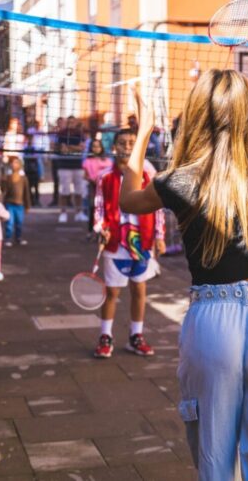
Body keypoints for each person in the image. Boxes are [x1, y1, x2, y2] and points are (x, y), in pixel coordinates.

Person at [118, 70, 248, 479]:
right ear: (245, 113)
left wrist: (145, 129)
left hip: (212, 319)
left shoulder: (177, 179)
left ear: (194, 114)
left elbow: (128, 200)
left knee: (215, 461)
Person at [92, 128, 165, 359]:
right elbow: (98, 208)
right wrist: (99, 227)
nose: (127, 146)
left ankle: (136, 336)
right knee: (112, 292)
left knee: (139, 290)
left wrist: (159, 235)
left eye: (132, 142)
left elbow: (158, 207)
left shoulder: (148, 172)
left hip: (142, 241)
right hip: (115, 242)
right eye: (122, 143)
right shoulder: (105, 177)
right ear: (114, 147)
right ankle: (106, 336)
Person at [57, 116, 88, 224]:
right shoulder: (62, 133)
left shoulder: (79, 134)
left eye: (72, 122)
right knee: (64, 191)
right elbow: (62, 149)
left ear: (75, 123)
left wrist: (69, 147)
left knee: (79, 191)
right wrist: (75, 148)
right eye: (69, 122)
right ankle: (63, 213)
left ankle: (79, 213)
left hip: (77, 165)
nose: (71, 123)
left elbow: (82, 148)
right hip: (64, 165)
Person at [82, 138, 113, 236]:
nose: (96, 148)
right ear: (91, 148)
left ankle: (106, 229)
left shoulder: (108, 161)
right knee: (92, 207)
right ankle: (91, 231)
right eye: (94, 146)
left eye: (98, 146)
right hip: (93, 186)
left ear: (101, 148)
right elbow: (85, 175)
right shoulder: (87, 161)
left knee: (106, 207)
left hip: (106, 187)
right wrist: (93, 180)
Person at [1, 156, 32, 247]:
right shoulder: (8, 177)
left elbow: (26, 193)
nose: (13, 165)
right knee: (9, 223)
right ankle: (8, 238)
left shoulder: (24, 179)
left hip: (20, 204)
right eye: (12, 163)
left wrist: (27, 205)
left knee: (19, 223)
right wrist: (3, 181)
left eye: (16, 163)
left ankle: (18, 238)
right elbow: (3, 190)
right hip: (9, 203)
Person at [48, 117, 65, 207]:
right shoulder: (54, 134)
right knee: (56, 180)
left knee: (65, 180)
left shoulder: (67, 133)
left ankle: (67, 201)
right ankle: (55, 200)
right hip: (55, 158)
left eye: (62, 123)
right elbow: (52, 145)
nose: (60, 124)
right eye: (59, 123)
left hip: (64, 159)